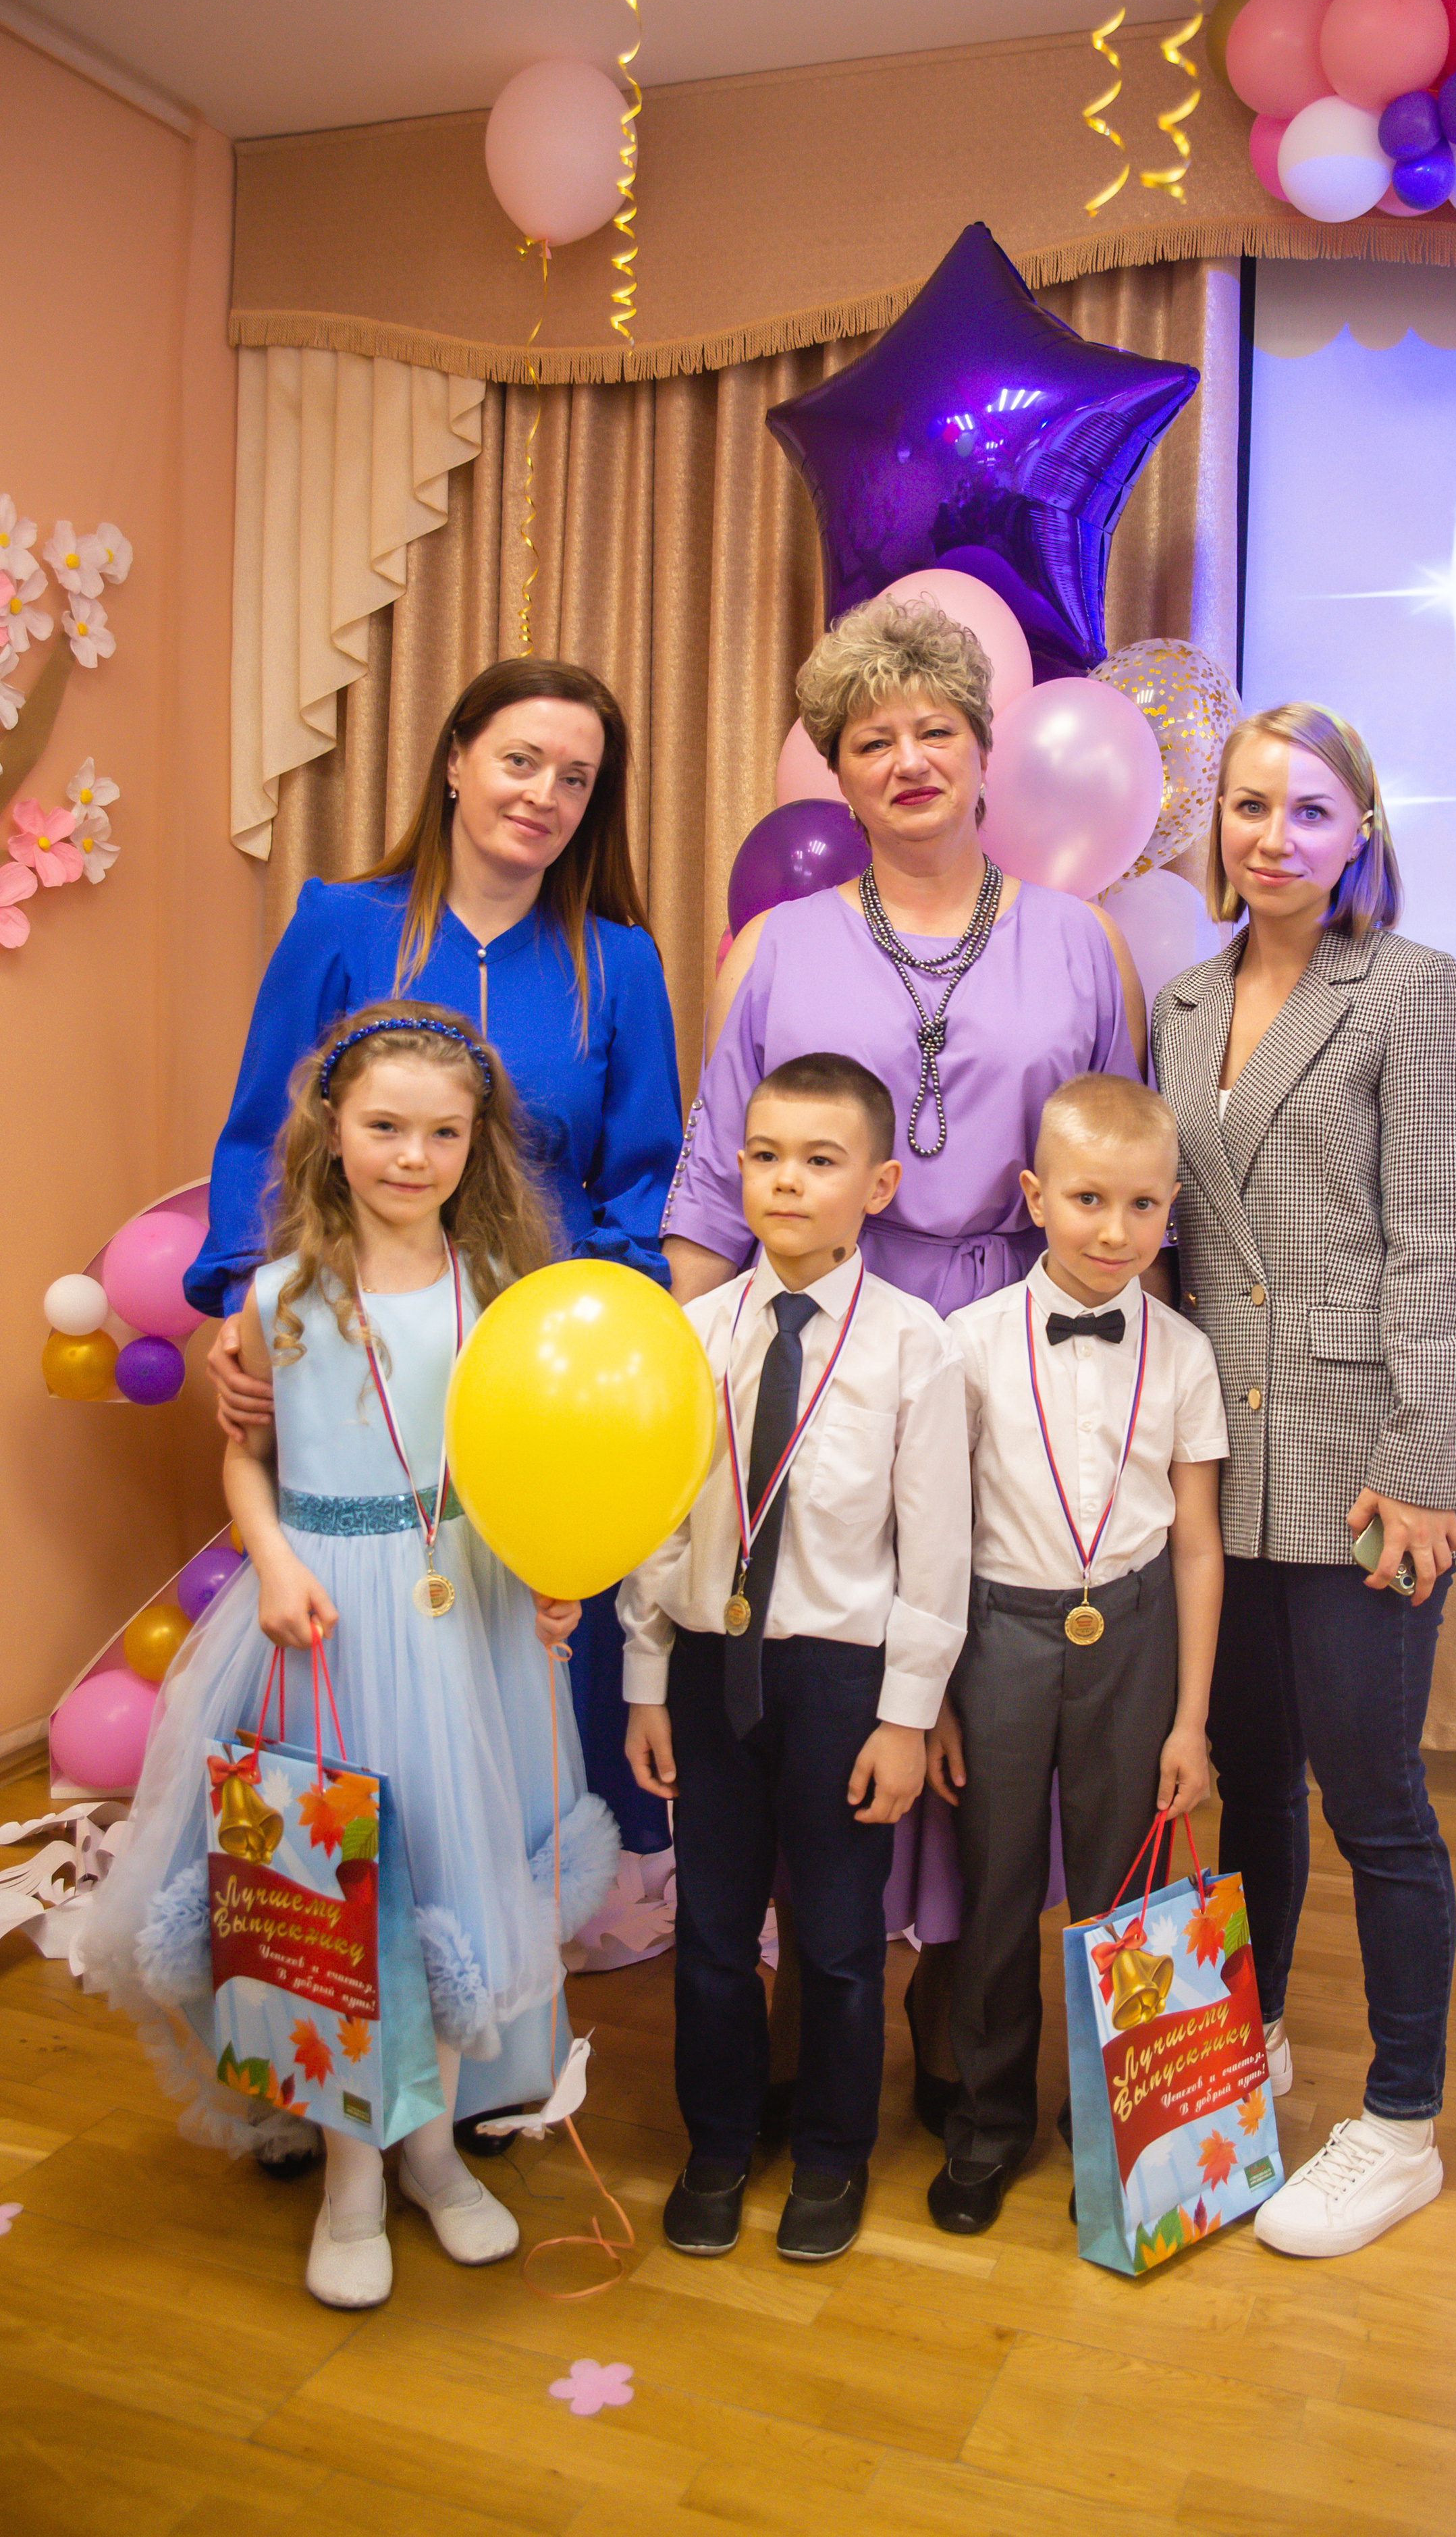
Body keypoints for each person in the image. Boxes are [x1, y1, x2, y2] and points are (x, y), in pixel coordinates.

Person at [661, 594, 1145, 2122]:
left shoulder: (1081, 944)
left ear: (983, 751)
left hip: (1011, 1348)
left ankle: (960, 2020)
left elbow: (1120, 1171)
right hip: (821, 1354)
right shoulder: (775, 947)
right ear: (838, 774)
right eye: (872, 739)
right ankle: (817, 2009)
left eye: (934, 729)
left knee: (980, 1683)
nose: (908, 758)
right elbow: (707, 1182)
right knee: (827, 1669)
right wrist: (692, 1393)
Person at [185, 656, 683, 2122]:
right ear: (456, 760)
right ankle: (324, 2072)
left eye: (576, 778)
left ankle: (482, 2073)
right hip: (355, 1381)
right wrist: (236, 1301)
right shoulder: (343, 923)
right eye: (520, 760)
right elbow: (254, 1129)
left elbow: (637, 1182)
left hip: (525, 1415)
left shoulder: (619, 962)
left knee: (499, 1747)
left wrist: (597, 1368)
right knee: (343, 1758)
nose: (543, 796)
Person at [81, 1004, 619, 2309]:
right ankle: (350, 2174)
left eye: (443, 1132)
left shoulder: (494, 1293)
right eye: (385, 1126)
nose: (412, 1155)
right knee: (335, 1896)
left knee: (445, 1888)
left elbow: (523, 1457)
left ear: (476, 1142)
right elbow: (245, 1461)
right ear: (333, 1127)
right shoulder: (279, 1298)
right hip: (321, 1617)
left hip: (465, 1611)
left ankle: (432, 2152)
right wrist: (270, 1558)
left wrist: (551, 1579)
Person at [1151, 701, 1456, 2260]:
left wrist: (1422, 1467)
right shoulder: (1176, 1000)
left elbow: (1430, 1245)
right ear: (1211, 825)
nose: (1269, 835)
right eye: (1244, 805)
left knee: (1374, 1801)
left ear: (1359, 834)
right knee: (1243, 1790)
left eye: (1306, 811)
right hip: (1221, 1468)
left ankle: (1399, 2120)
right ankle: (1256, 2040)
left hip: (1364, 1465)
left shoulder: (1407, 995)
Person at [618, 1053, 970, 2262]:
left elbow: (936, 1559)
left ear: (879, 1183)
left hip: (840, 1681)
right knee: (712, 1932)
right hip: (714, 1670)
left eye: (820, 1161)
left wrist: (907, 1715)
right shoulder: (693, 1333)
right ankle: (719, 2142)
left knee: (835, 1939)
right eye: (765, 1154)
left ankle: (831, 2152)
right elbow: (655, 1523)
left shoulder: (914, 1348)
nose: (786, 1181)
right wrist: (648, 1680)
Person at [926, 1075, 1228, 2235]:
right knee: (997, 1889)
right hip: (999, 1633)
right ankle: (989, 2122)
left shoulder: (1188, 1353)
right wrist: (938, 1694)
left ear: (1171, 1209)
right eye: (1090, 1199)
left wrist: (1191, 1717)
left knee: (1122, 1895)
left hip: (1137, 1636)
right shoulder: (967, 1343)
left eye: (1144, 1205)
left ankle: (1124, 2131)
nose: (1116, 1230)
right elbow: (938, 1539)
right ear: (1035, 1197)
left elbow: (1197, 1544)